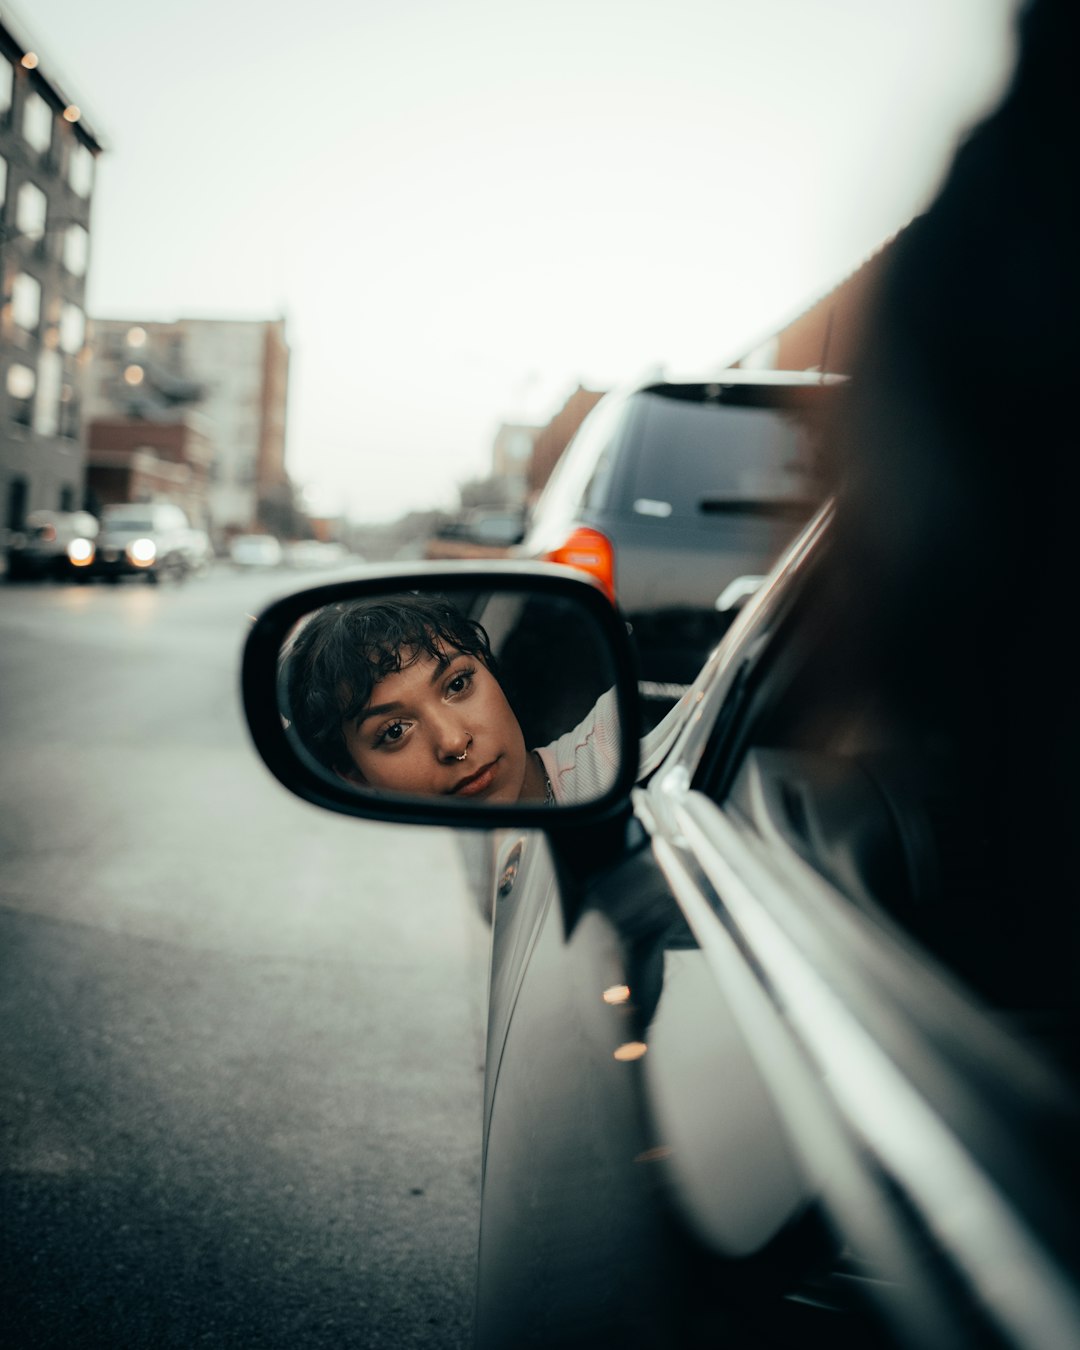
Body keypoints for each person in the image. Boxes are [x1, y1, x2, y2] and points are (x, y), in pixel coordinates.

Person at [282, 592, 626, 805]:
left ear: (491, 671)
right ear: (354, 776)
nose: (454, 742)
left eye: (458, 685)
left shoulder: (612, 752)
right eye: (395, 731)